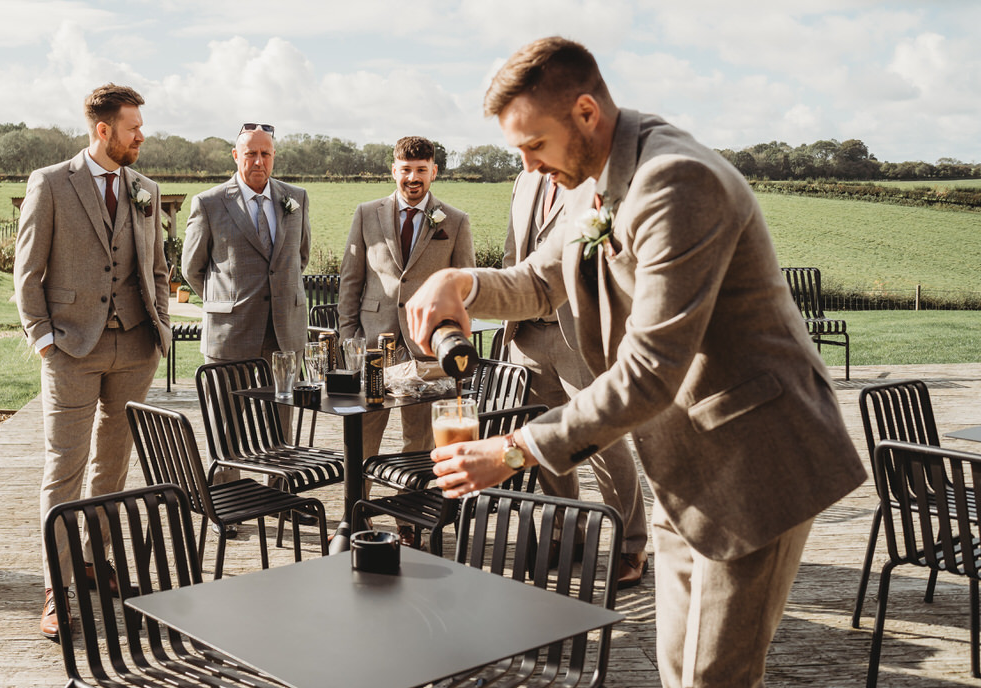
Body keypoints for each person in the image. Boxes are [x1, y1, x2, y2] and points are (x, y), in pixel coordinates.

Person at [407, 37, 866, 687]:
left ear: (587, 112)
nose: (529, 166)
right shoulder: (591, 175)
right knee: (677, 668)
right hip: (680, 465)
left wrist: (511, 451)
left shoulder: (677, 182)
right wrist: (462, 284)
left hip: (756, 461)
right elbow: (541, 281)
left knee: (714, 678)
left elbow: (651, 370)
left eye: (534, 144)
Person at [14, 83, 171, 640]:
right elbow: (27, 271)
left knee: (113, 467)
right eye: (133, 128)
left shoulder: (145, 188)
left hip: (134, 348)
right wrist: (42, 339)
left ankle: (92, 560)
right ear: (104, 131)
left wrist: (161, 328)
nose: (141, 137)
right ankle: (58, 588)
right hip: (71, 349)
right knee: (65, 469)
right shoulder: (52, 183)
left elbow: (155, 267)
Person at [502, 169, 649, 588]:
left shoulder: (599, 181)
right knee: (543, 435)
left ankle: (630, 543)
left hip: (581, 334)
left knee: (602, 439)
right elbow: (517, 249)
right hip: (526, 334)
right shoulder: (523, 181)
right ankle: (566, 532)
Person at [337, 135, 474, 545]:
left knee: (419, 440)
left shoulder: (455, 220)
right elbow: (350, 281)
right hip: (375, 347)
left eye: (421, 170)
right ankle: (355, 513)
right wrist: (350, 341)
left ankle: (408, 517)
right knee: (364, 434)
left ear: (434, 171)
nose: (412, 178)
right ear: (393, 169)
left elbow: (463, 288)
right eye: (405, 169)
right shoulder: (366, 214)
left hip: (427, 348)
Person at [181, 122, 311, 447]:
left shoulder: (296, 199)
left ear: (274, 156)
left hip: (284, 334)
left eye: (265, 153)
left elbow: (300, 257)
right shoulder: (209, 203)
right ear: (235, 155)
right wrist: (227, 304)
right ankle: (227, 494)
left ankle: (278, 496)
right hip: (230, 335)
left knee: (281, 429)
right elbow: (192, 268)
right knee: (225, 428)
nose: (258, 161)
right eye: (250, 153)